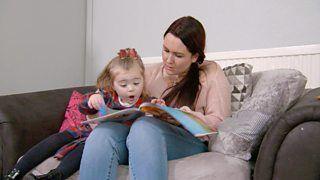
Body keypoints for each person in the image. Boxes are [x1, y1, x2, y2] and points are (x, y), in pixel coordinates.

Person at [79, 16, 231, 180]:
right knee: (102, 134)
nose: (168, 60)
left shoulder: (210, 74)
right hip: (139, 138)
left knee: (144, 126)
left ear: (194, 56)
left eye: (178, 55)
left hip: (187, 141)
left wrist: (183, 115)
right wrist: (97, 97)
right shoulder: (149, 73)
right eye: (165, 50)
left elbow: (220, 123)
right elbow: (112, 88)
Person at [4, 48, 149, 180]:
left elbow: (152, 118)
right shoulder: (107, 95)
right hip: (82, 130)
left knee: (82, 151)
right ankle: (15, 172)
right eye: (123, 85)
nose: (131, 89)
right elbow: (83, 107)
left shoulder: (144, 102)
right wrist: (91, 100)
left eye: (136, 83)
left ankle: (56, 175)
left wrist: (157, 108)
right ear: (113, 84)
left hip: (98, 140)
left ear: (143, 80)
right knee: (54, 140)